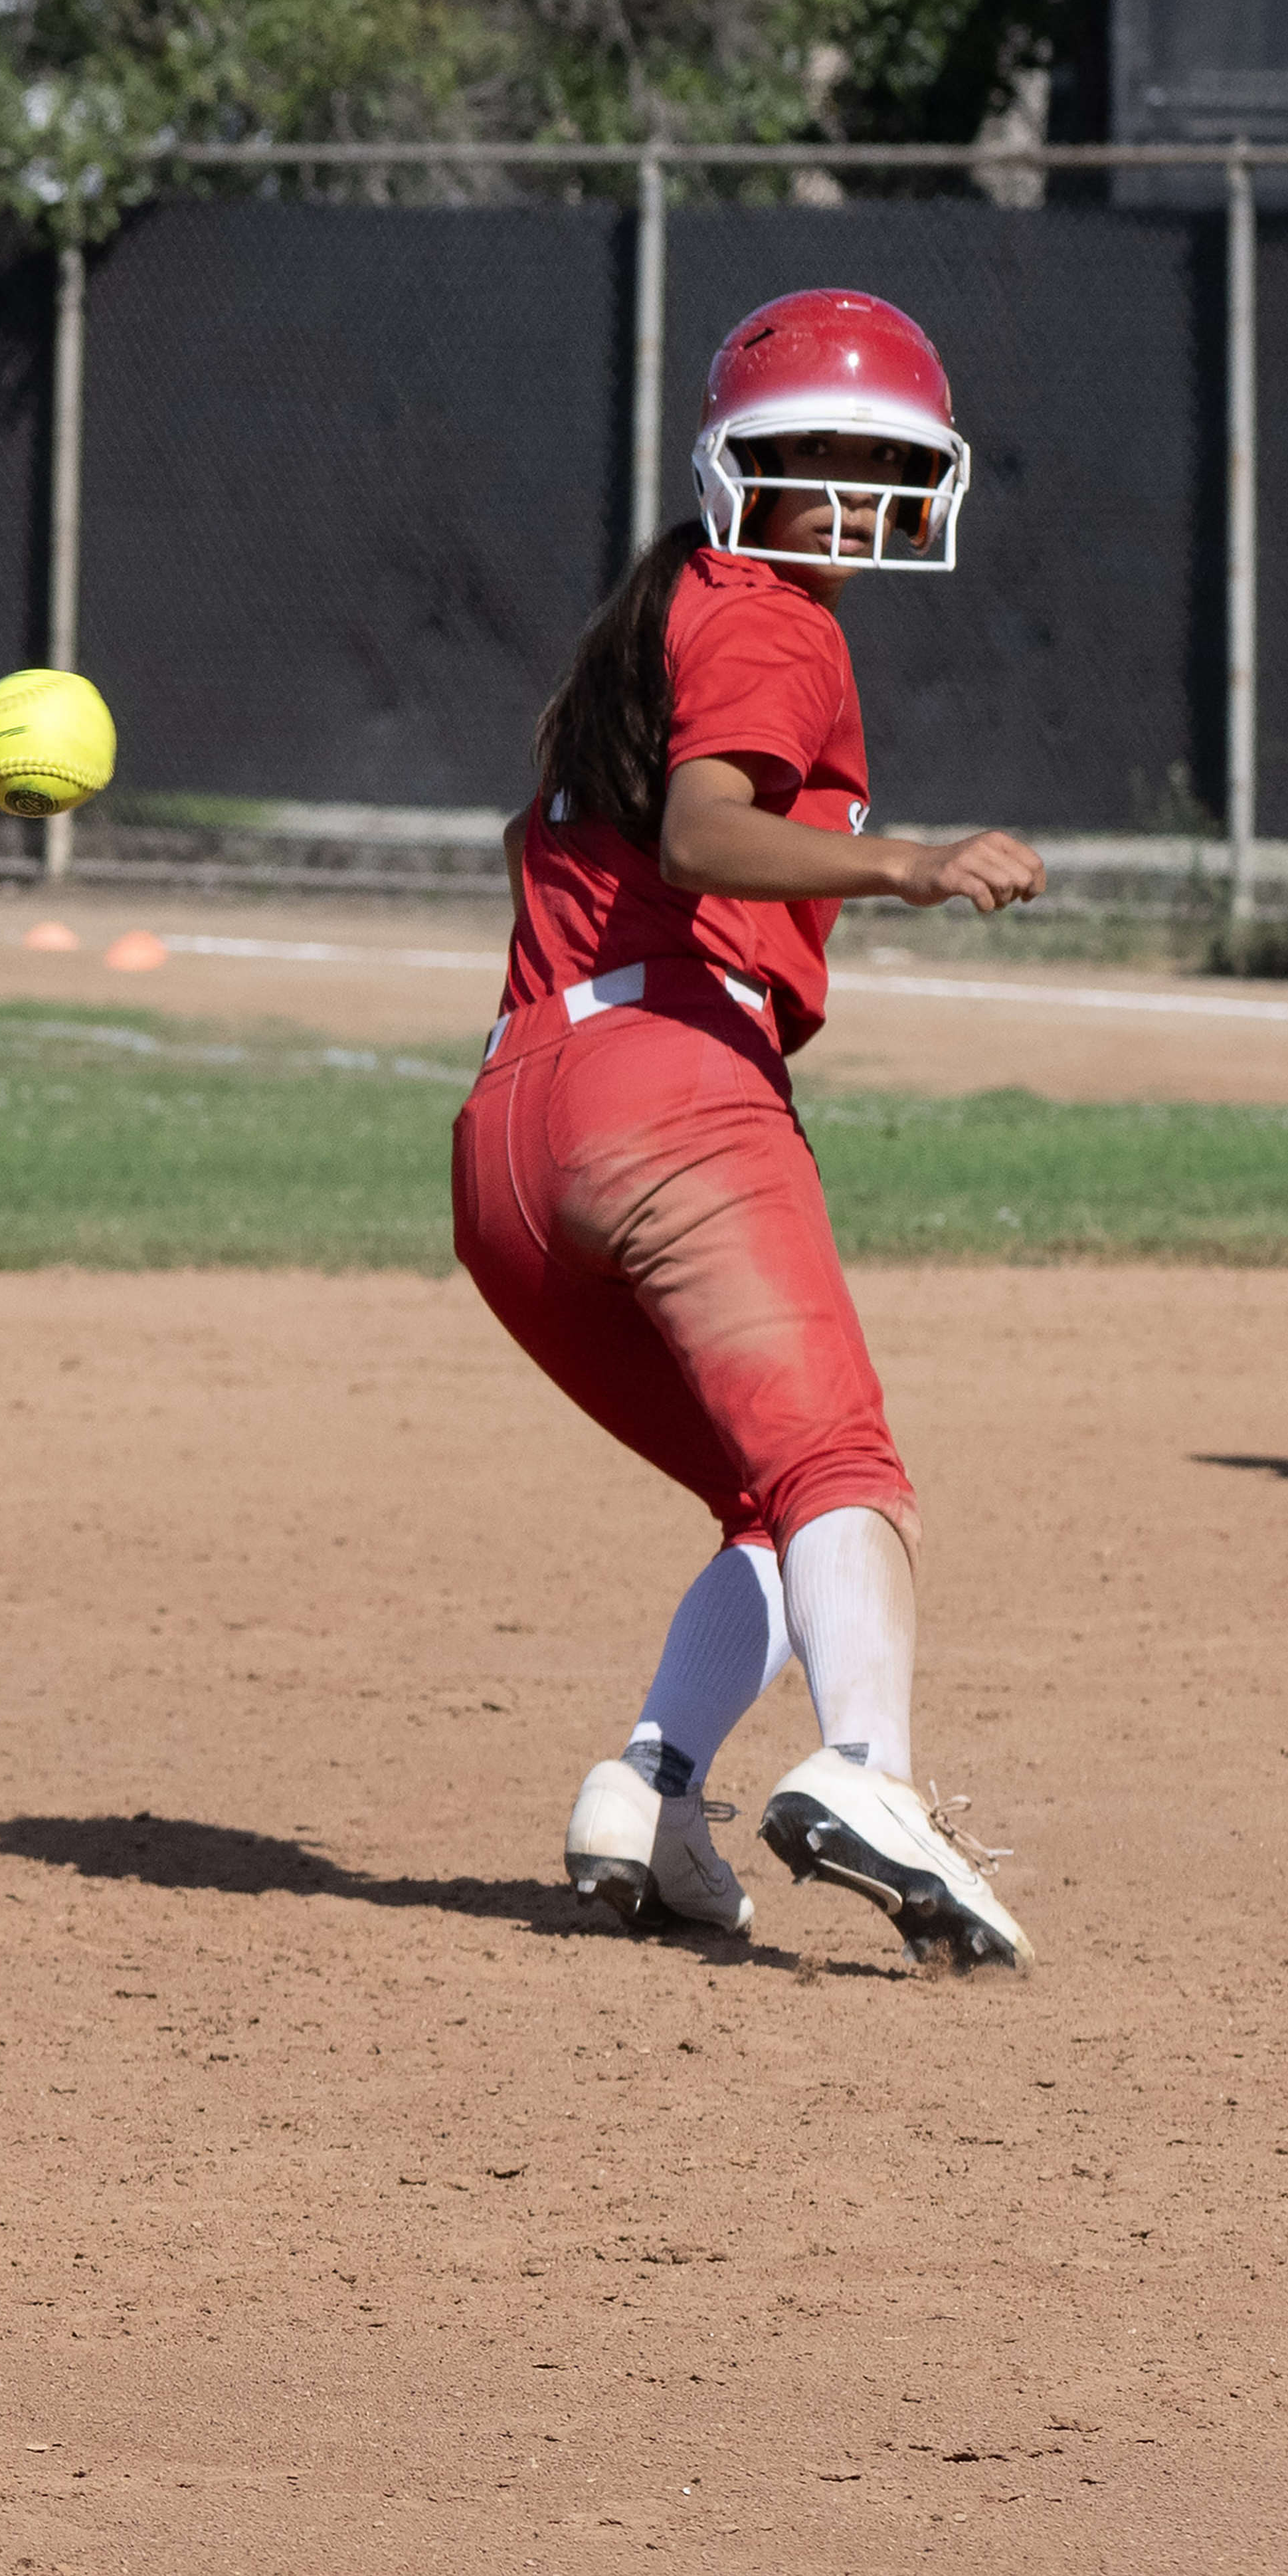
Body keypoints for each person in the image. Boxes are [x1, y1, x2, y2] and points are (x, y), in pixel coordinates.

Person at [452, 288, 1044, 1973]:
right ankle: (871, 1771)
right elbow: (709, 836)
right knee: (846, 1467)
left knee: (771, 1501)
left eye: (883, 460)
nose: (857, 493)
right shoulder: (778, 620)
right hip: (667, 1091)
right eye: (825, 458)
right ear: (743, 478)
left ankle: (649, 1788)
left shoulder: (651, 625)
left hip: (509, 1143)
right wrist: (908, 861)